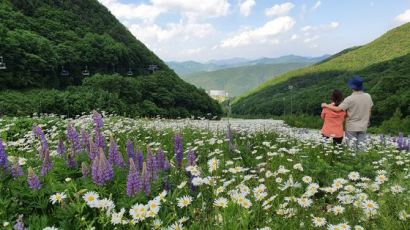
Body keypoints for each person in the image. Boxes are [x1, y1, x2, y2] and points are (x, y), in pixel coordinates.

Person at [321, 76, 373, 151]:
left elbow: (338, 109)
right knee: (362, 147)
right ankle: (361, 161)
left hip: (351, 127)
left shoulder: (350, 99)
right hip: (363, 125)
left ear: (352, 87)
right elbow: (369, 110)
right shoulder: (368, 96)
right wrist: (368, 120)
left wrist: (325, 105)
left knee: (351, 148)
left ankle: (352, 161)